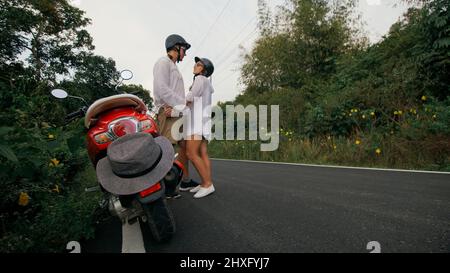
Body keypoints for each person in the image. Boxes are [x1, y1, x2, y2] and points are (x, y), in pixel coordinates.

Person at [153, 34, 199, 199]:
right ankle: (165, 188)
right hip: (169, 111)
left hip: (177, 111)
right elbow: (161, 88)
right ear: (175, 47)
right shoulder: (162, 63)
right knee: (168, 149)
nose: (185, 54)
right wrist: (181, 103)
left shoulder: (172, 66)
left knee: (184, 147)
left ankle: (184, 180)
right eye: (184, 50)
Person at [184, 57, 215, 199]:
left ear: (203, 69)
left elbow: (190, 97)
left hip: (196, 123)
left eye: (198, 64)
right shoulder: (207, 83)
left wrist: (175, 104)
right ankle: (205, 183)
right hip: (204, 122)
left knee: (191, 153)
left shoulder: (200, 80)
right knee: (202, 153)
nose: (195, 66)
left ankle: (208, 184)